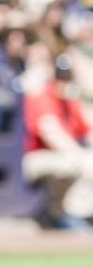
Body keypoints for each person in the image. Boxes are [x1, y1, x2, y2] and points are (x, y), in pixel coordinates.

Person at [23, 53, 93, 229]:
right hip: (36, 158)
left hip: (64, 156)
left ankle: (57, 213)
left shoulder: (71, 102)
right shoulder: (43, 96)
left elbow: (89, 130)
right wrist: (82, 157)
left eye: (67, 76)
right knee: (80, 164)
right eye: (60, 76)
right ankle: (70, 215)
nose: (63, 81)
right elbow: (52, 134)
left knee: (82, 162)